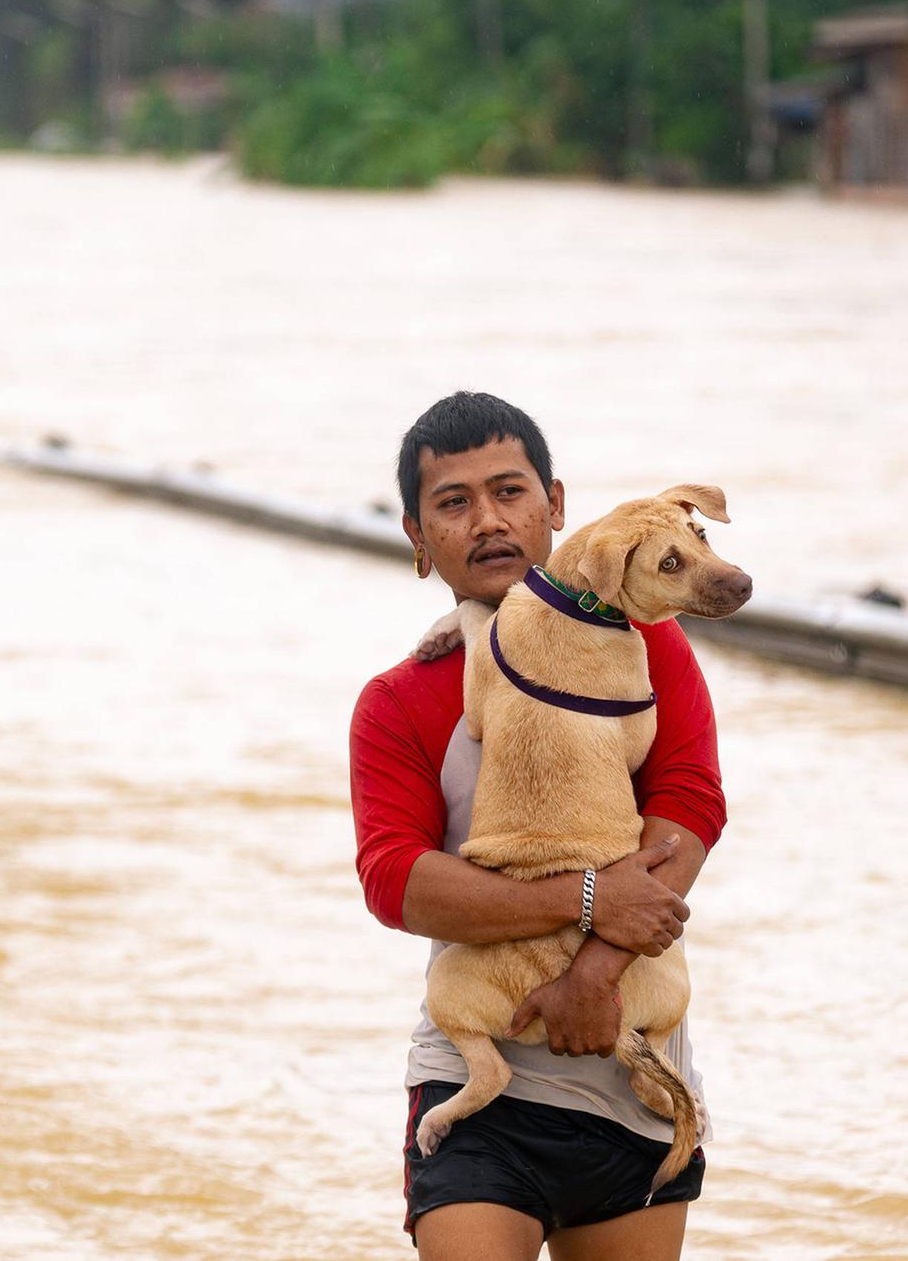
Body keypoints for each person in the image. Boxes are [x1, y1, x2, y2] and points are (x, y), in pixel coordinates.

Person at [351, 392, 726, 1259]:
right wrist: (592, 897)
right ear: (416, 535)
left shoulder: (650, 643)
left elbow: (691, 808)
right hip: (478, 1086)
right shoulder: (398, 701)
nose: (489, 520)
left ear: (556, 507)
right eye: (453, 503)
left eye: (510, 492)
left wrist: (593, 976)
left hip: (634, 1081)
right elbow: (398, 883)